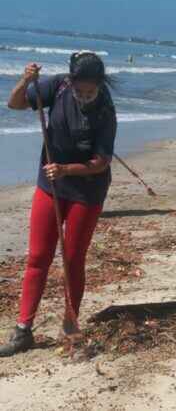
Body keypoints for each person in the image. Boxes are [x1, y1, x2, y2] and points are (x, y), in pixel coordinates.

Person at [0, 51, 117, 357]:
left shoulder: (106, 109)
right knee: (38, 257)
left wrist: (67, 169)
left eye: (90, 91)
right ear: (71, 80)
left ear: (100, 85)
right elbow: (15, 103)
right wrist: (26, 80)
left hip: (87, 191)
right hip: (50, 185)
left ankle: (70, 323)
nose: (84, 96)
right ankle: (24, 330)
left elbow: (101, 163)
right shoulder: (58, 87)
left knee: (73, 259)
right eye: (80, 90)